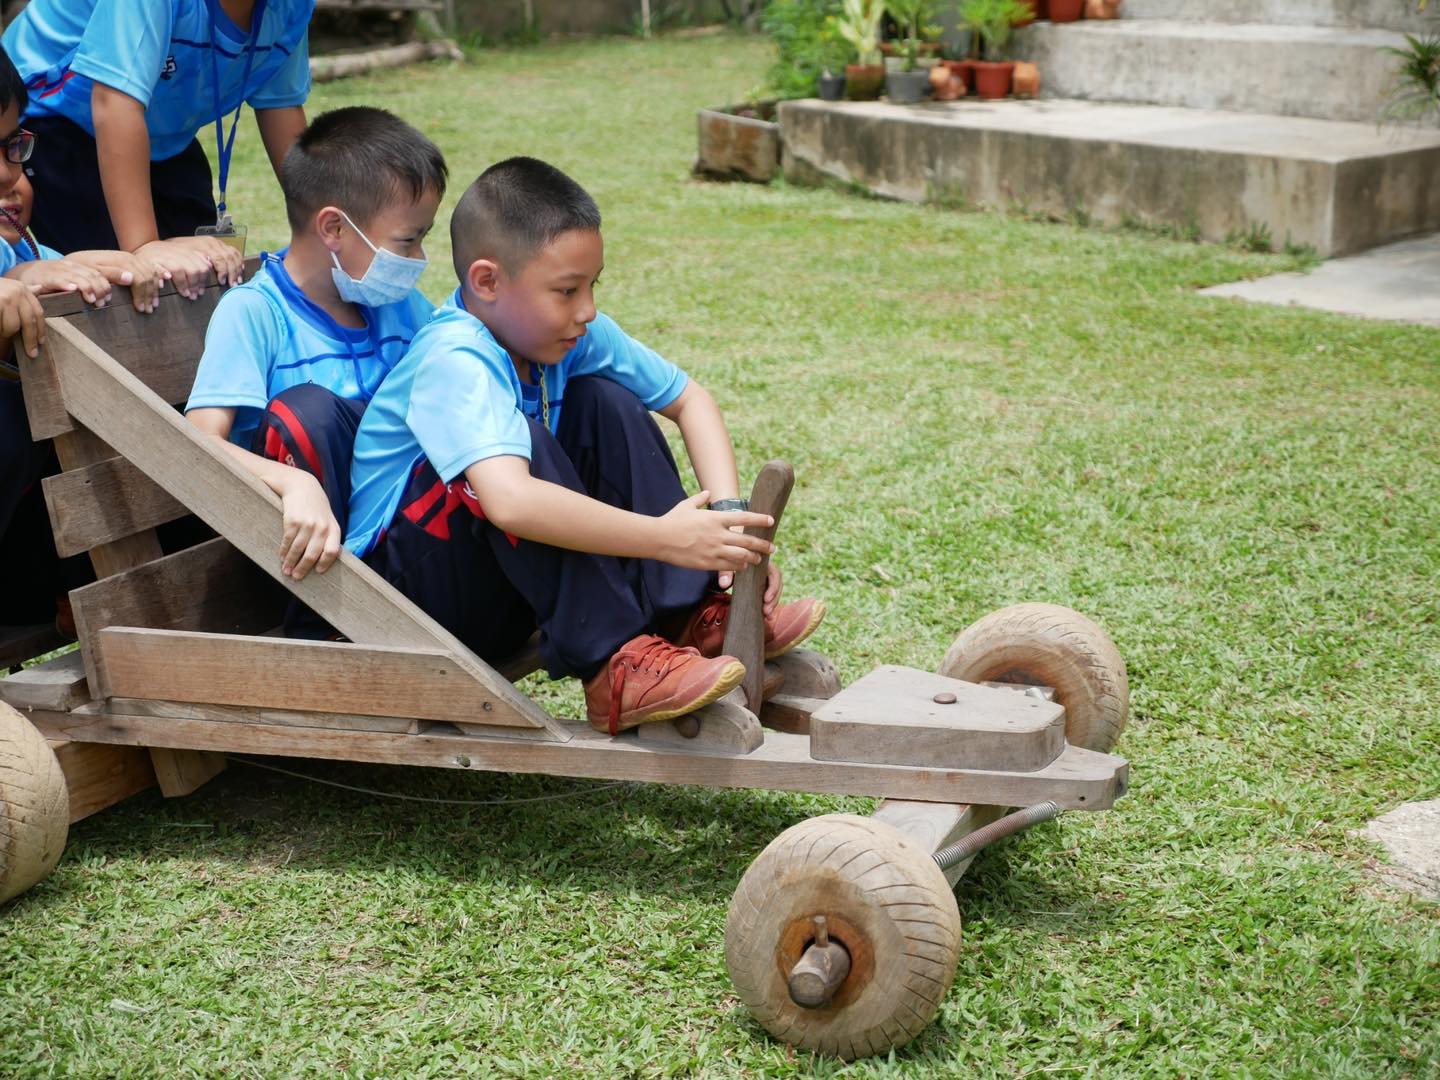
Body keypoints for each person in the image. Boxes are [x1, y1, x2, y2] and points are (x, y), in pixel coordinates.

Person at [345, 157, 826, 735]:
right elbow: (511, 504)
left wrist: (725, 530)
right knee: (522, 449)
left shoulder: (565, 337)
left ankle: (690, 615)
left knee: (606, 400)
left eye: (591, 286)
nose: (587, 310)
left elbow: (689, 399)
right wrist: (665, 539)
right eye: (567, 290)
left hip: (495, 581)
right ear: (487, 282)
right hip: (406, 607)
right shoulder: (455, 357)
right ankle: (615, 666)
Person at [186, 106, 444, 597]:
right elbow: (197, 445)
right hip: (308, 567)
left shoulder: (398, 304)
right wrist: (292, 483)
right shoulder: (254, 314)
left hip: (402, 545)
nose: (416, 260)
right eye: (407, 241)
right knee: (308, 411)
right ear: (334, 229)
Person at [1, 0, 315, 297]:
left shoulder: (291, 7)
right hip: (51, 116)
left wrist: (321, 229)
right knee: (111, 290)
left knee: (205, 277)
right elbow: (114, 102)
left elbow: (282, 106)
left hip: (161, 133)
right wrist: (143, 246)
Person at [0, 46, 159, 630]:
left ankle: (65, 597)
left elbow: (44, 272)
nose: (6, 175)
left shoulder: (17, 243)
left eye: (12, 147)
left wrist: (105, 265)